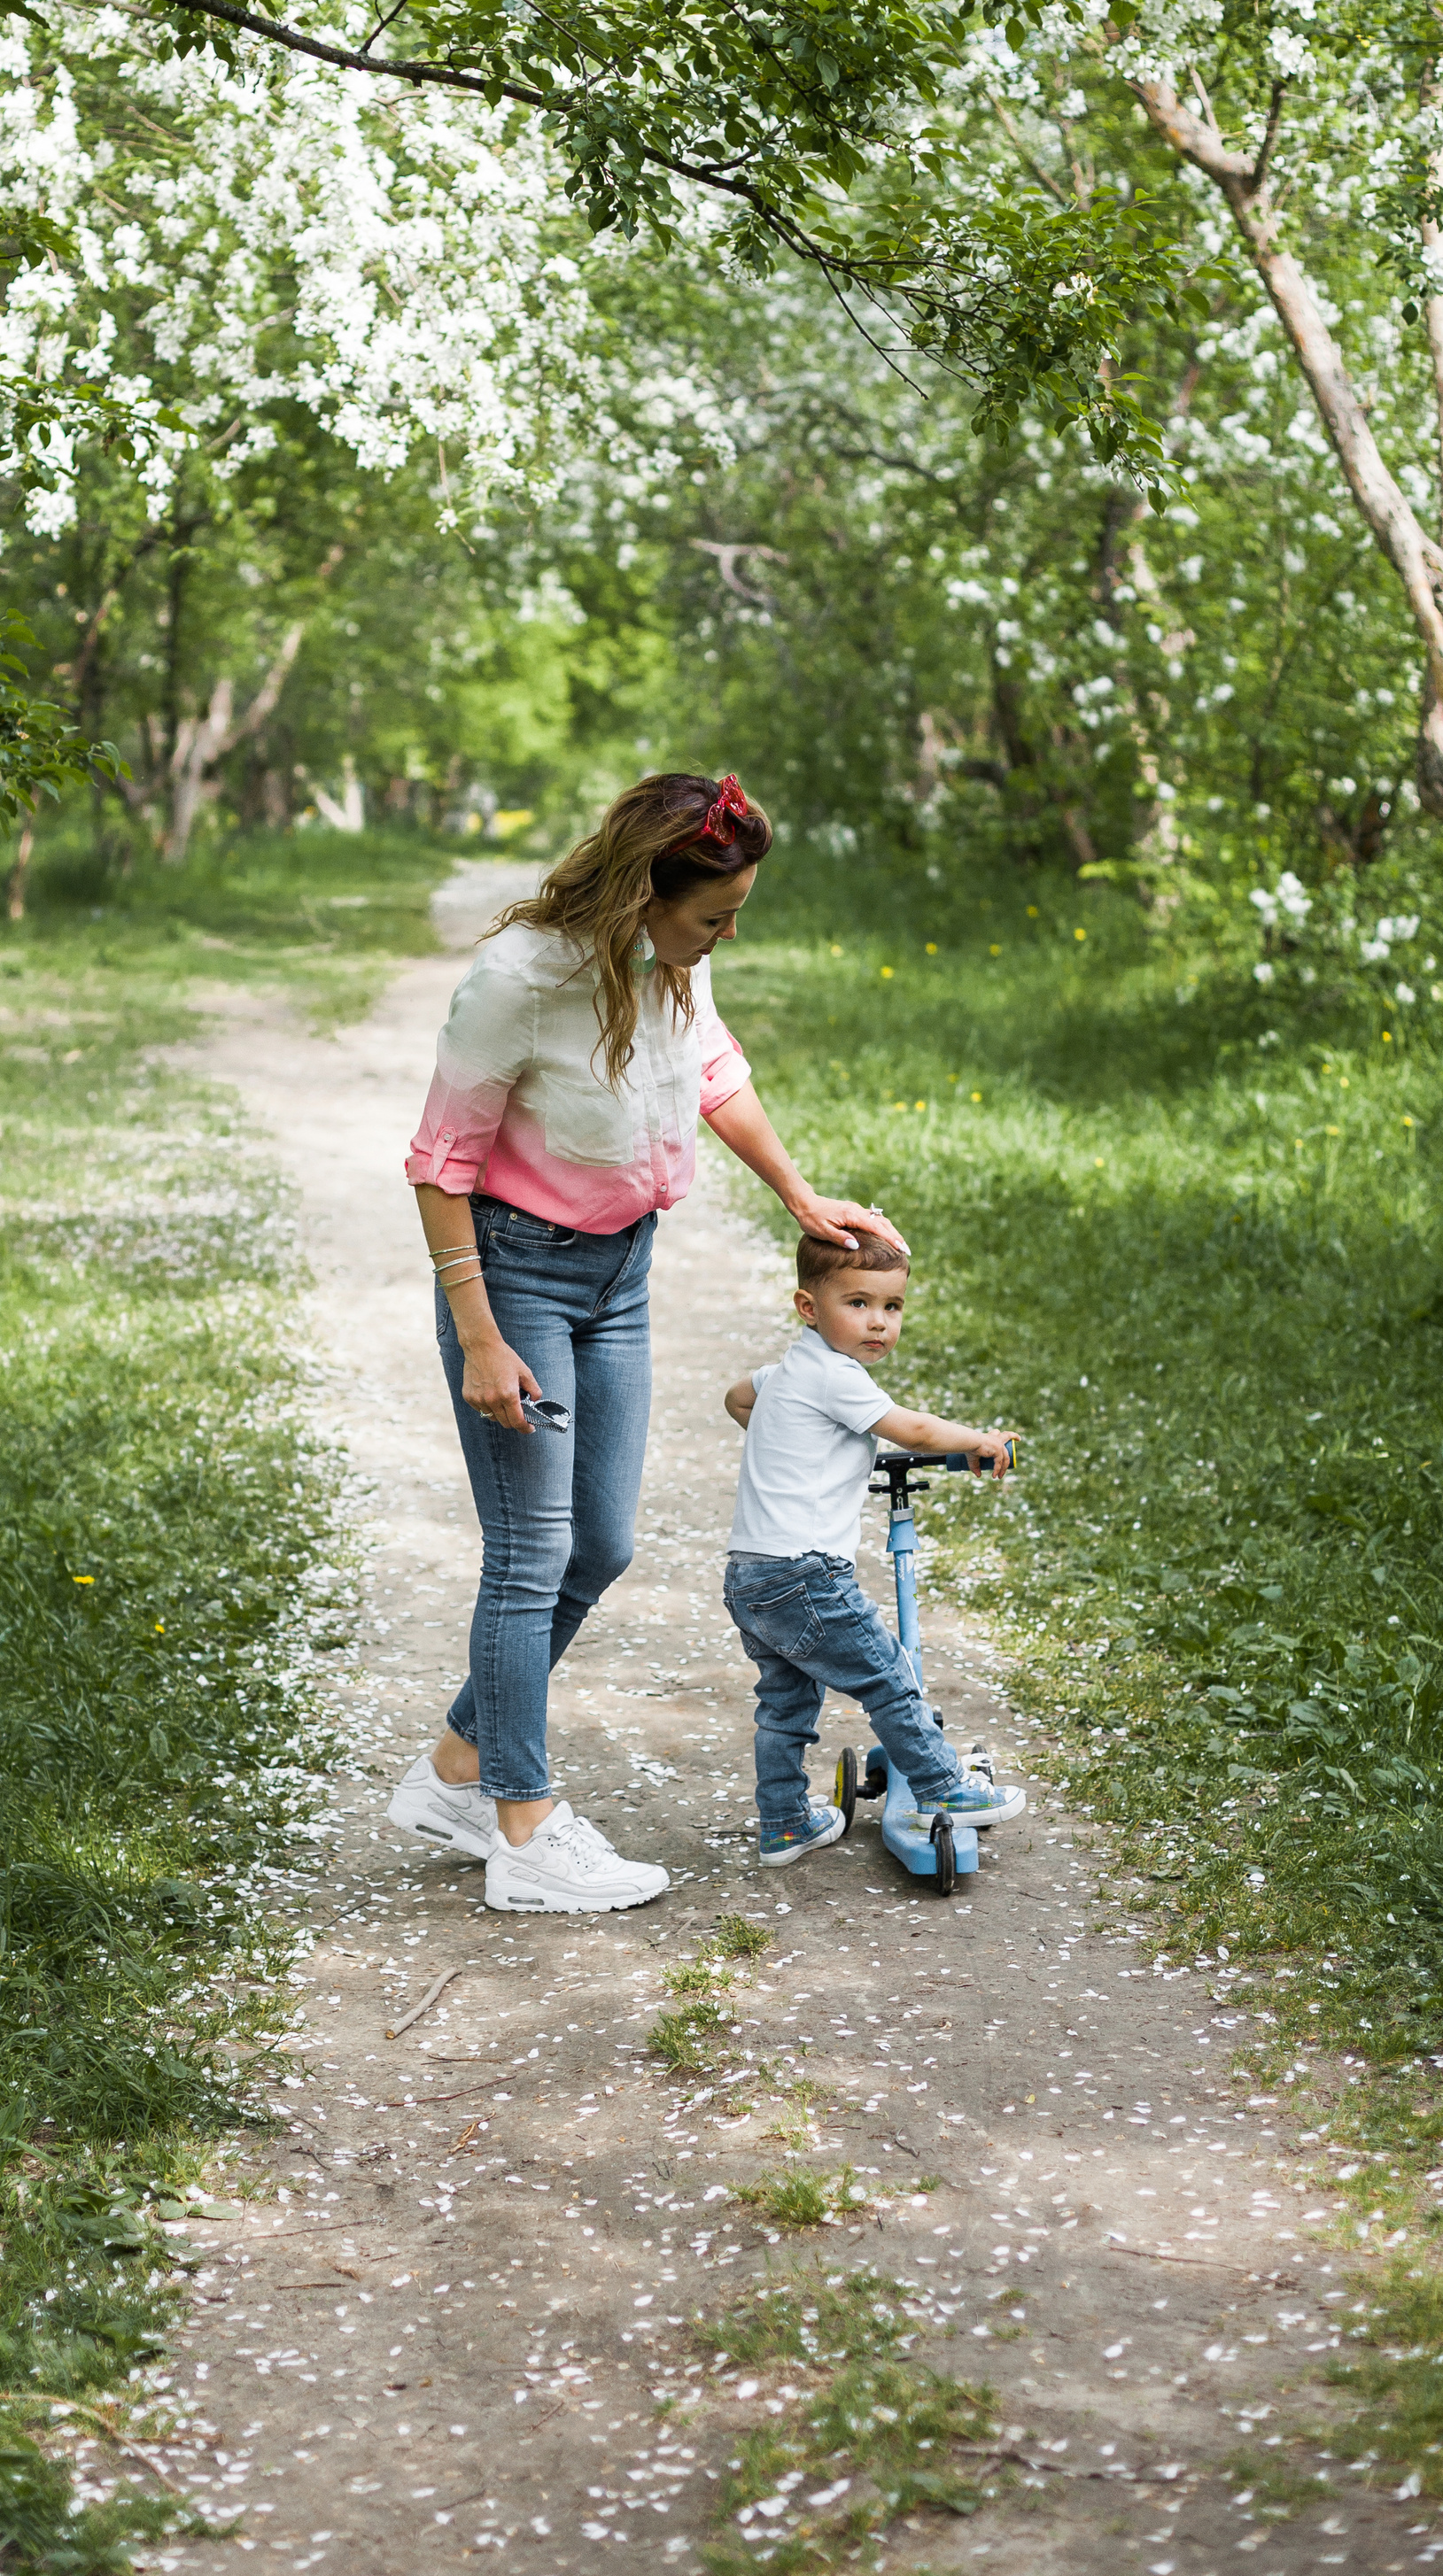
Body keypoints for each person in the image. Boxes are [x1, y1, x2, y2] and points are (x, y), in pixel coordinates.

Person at [392, 770, 902, 1915]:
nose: (725, 934)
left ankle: (456, 1773)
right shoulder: (521, 982)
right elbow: (439, 1164)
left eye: (735, 914)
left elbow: (714, 1078)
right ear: (640, 892)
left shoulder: (676, 967)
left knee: (601, 1545)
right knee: (530, 1554)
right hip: (515, 1274)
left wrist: (799, 1198)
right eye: (712, 914)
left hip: (621, 1271)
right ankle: (523, 1832)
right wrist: (478, 1335)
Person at [722, 1231, 1026, 1863]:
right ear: (809, 1307)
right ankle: (945, 1786)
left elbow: (737, 1399)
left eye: (892, 1307)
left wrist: (790, 1436)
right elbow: (911, 1428)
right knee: (889, 1675)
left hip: (751, 1575)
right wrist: (980, 1441)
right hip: (806, 1573)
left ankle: (784, 1823)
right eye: (857, 1303)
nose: (878, 1322)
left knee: (784, 1705)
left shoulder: (787, 1374)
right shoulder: (835, 1376)